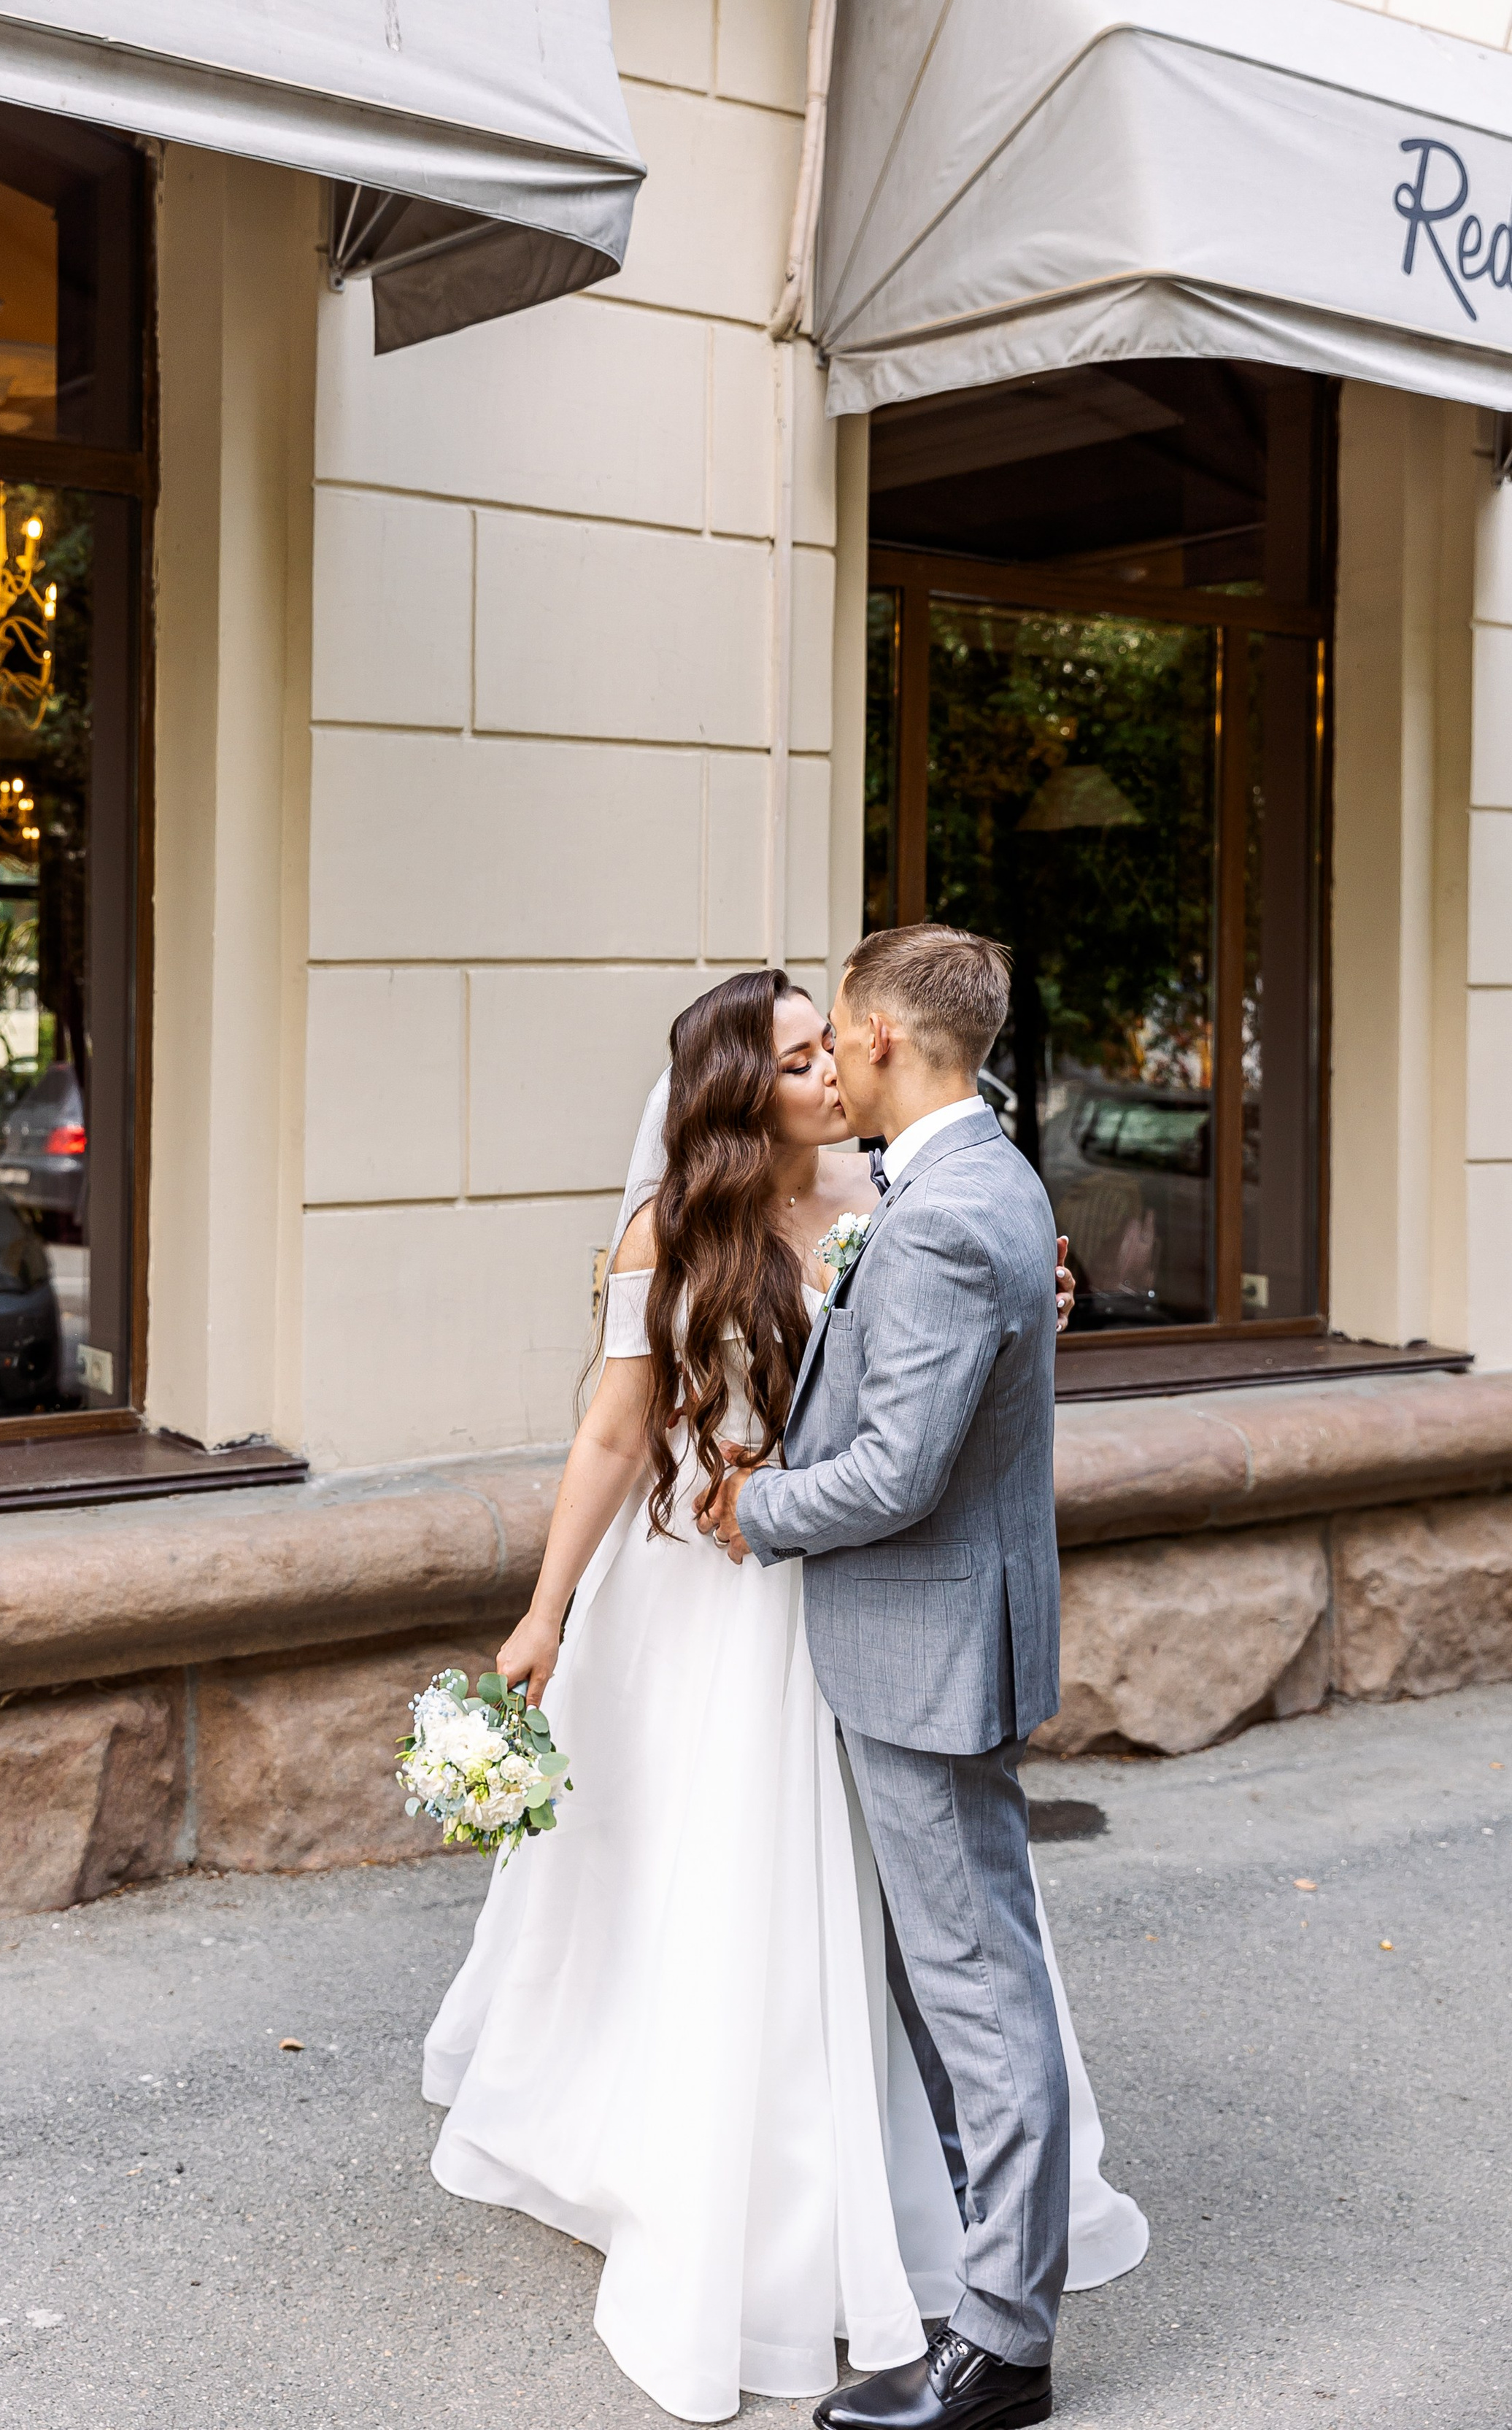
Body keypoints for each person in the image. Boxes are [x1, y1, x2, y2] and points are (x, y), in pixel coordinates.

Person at [423, 957, 1144, 2425]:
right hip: (703, 1601)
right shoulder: (672, 1235)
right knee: (725, 1903)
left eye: (833, 1047)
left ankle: (915, 2222)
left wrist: (1032, 1302)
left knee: (888, 1925)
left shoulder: (902, 1207)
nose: (827, 1072)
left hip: (833, 1590)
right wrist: (544, 1610)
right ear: (740, 1091)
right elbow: (615, 1442)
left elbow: (922, 1396)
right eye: (798, 1056)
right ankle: (726, 2190)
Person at [703, 927, 1076, 2430]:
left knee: (975, 1994)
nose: (833, 1057)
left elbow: (897, 1474)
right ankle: (979, 2279)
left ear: (876, 1042)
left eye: (839, 1032)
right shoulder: (971, 1176)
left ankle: (1000, 2350)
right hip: (936, 1634)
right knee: (953, 1983)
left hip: (923, 1639)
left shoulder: (935, 1211)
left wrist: (754, 1514)